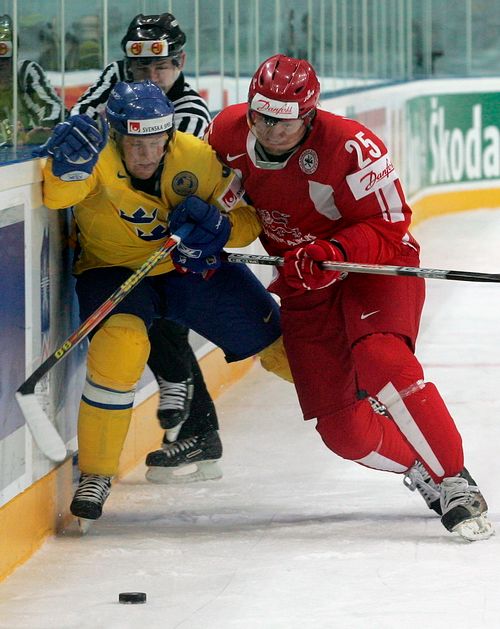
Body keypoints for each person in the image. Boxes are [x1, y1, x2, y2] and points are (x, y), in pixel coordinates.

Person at [168, 54, 494, 542]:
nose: (271, 129)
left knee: (381, 358)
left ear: (310, 114)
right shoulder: (229, 132)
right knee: (344, 434)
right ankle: (421, 468)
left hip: (371, 269)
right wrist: (209, 231)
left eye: (284, 120)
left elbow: (391, 227)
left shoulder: (352, 148)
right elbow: (233, 208)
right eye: (262, 116)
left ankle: (453, 480)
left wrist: (333, 250)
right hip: (304, 283)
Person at [37, 80, 288, 526]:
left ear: (168, 135)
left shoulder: (195, 156)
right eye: (135, 143)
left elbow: (247, 218)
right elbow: (59, 197)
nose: (146, 154)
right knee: (121, 349)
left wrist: (220, 229)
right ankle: (96, 475)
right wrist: (63, 173)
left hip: (185, 266)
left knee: (277, 341)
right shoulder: (96, 156)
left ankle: (360, 396)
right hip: (114, 271)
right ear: (117, 135)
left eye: (155, 141)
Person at [70, 13, 219, 483]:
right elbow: (77, 122)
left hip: (171, 234)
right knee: (141, 318)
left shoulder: (190, 112)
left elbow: (166, 178)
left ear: (181, 62)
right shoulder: (119, 80)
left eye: (162, 67)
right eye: (140, 68)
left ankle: (194, 418)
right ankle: (200, 429)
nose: (149, 77)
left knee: (160, 318)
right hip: (125, 234)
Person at [0, 14, 64, 146]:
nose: (2, 63)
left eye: (3, 50)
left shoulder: (24, 72)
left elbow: (53, 110)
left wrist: (38, 132)